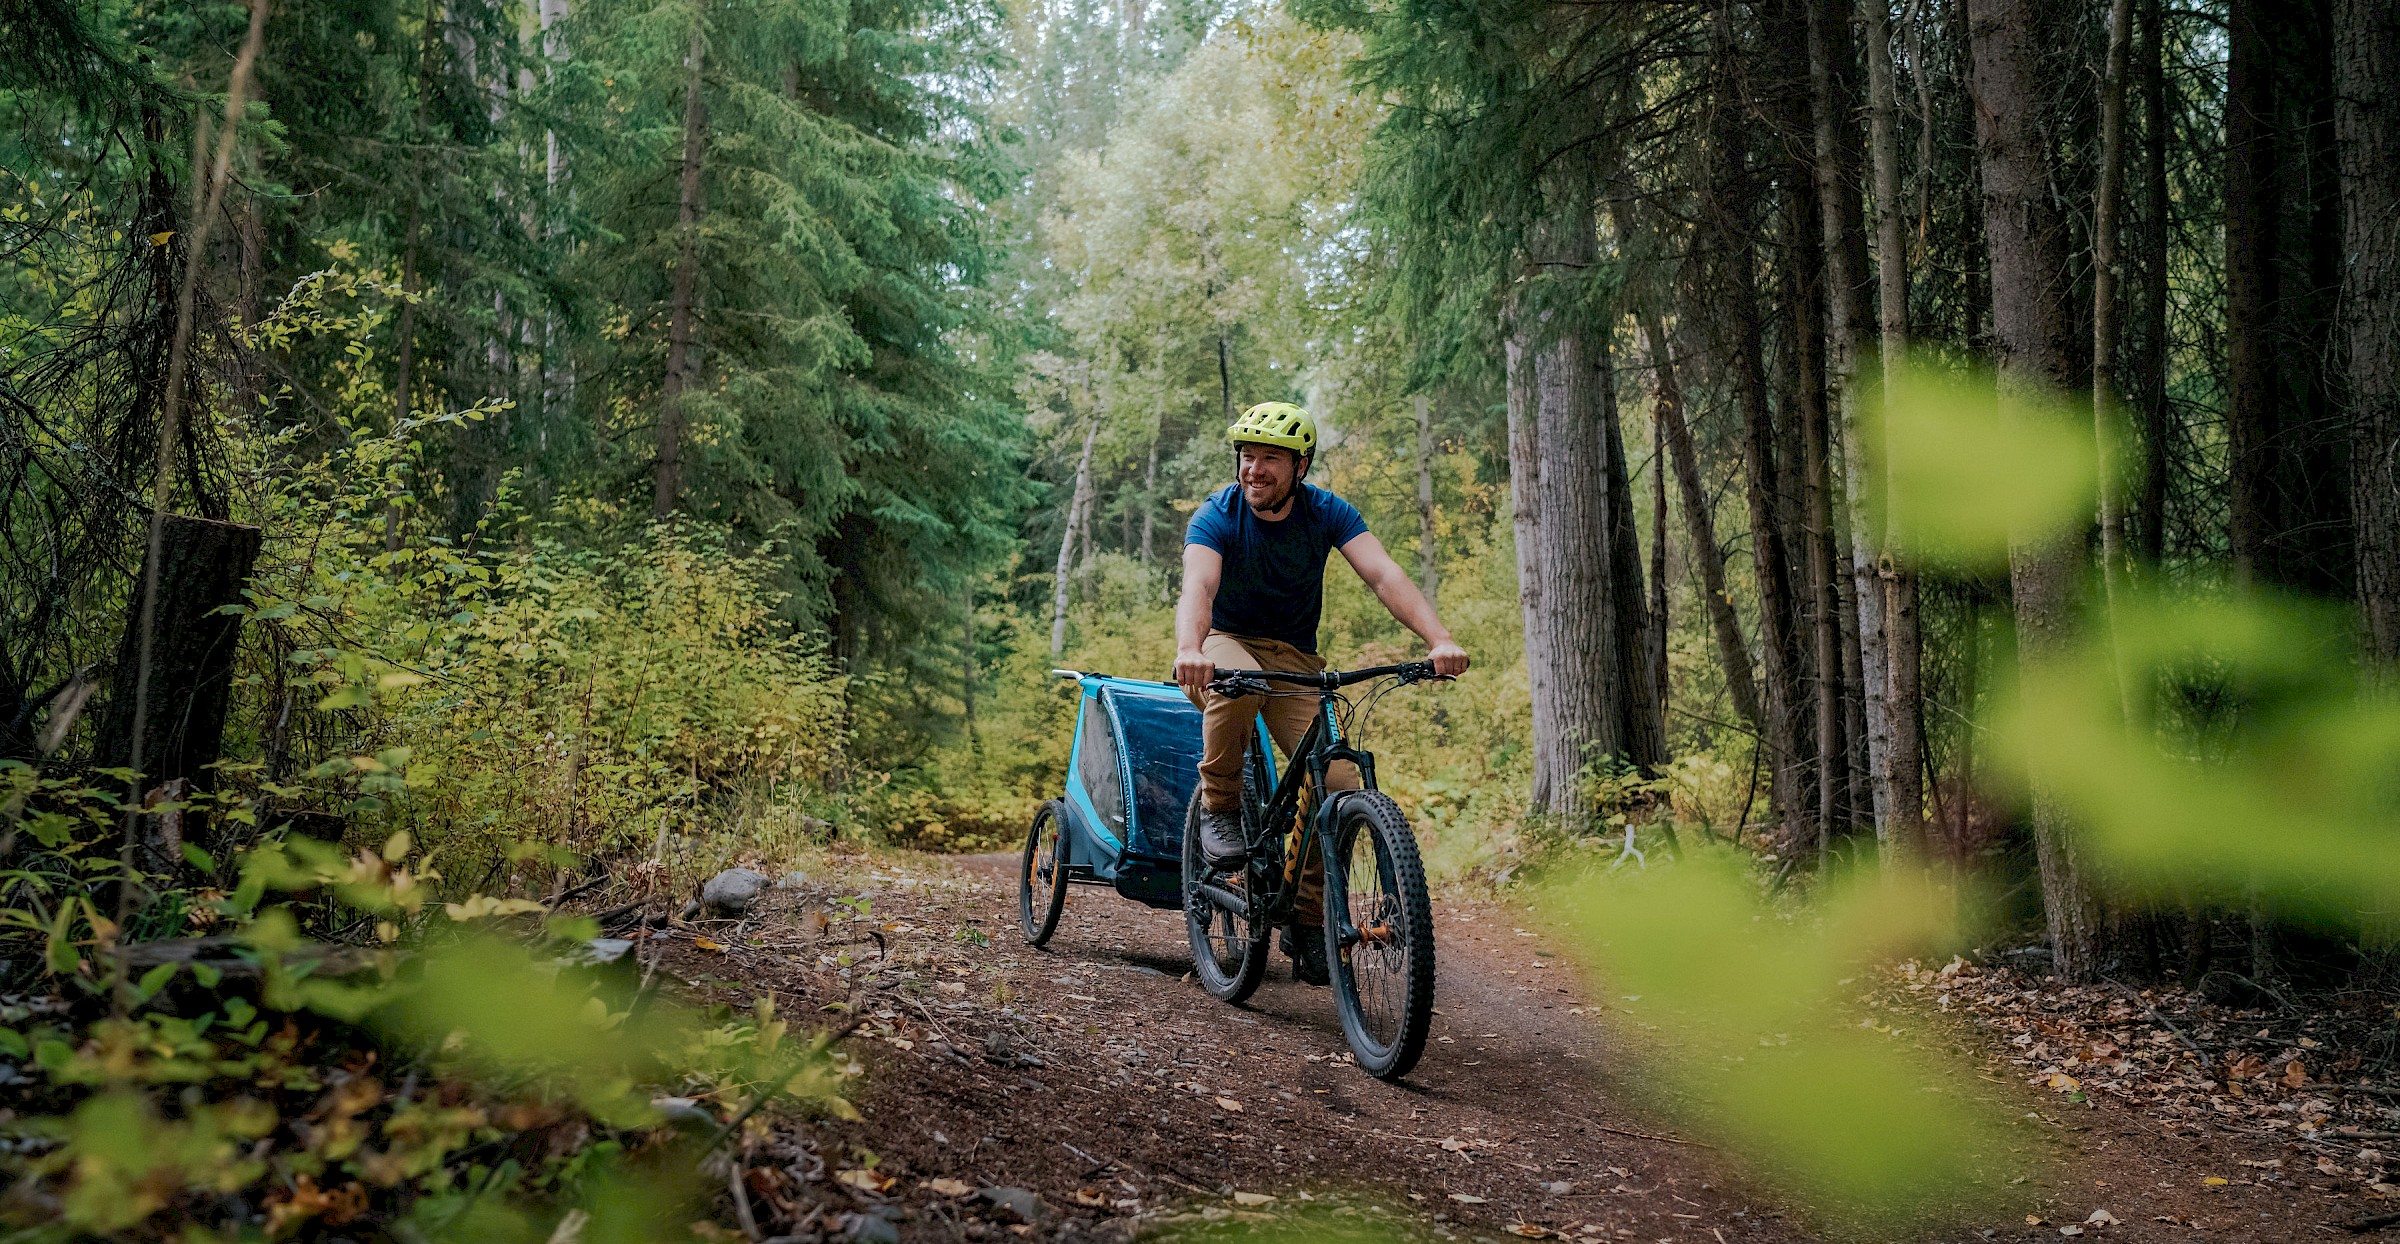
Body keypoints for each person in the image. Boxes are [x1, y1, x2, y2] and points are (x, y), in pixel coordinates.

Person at [1173, 401, 1470, 984]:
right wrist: (1190, 648)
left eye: (1270, 459)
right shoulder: (1216, 515)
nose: (1254, 469)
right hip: (1224, 643)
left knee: (1335, 779)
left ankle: (1308, 917)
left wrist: (1439, 639)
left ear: (1300, 466)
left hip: (1295, 661)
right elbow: (1199, 587)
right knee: (1239, 683)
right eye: (1248, 456)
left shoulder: (1328, 513)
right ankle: (1221, 805)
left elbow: (1383, 575)